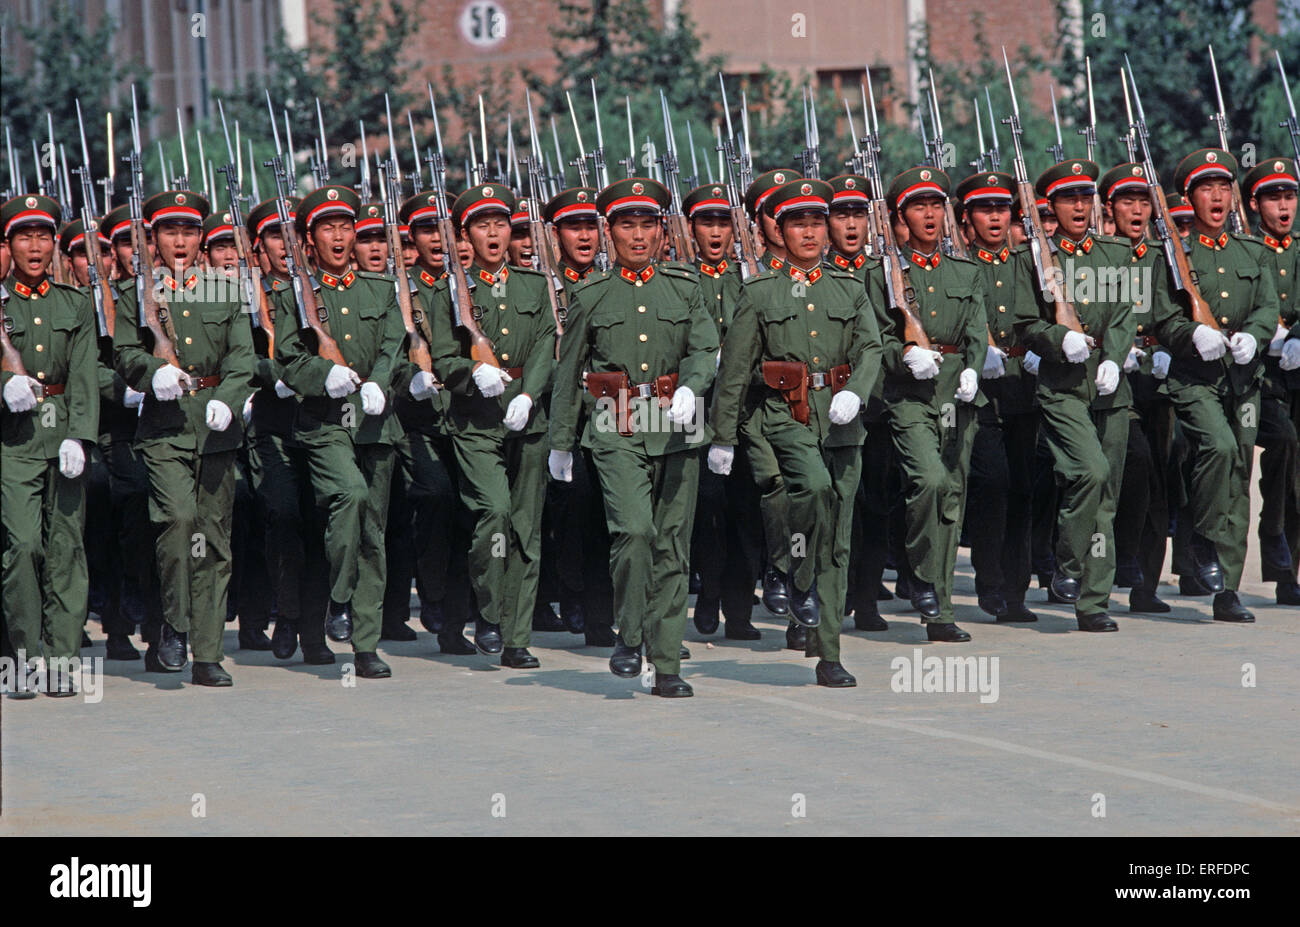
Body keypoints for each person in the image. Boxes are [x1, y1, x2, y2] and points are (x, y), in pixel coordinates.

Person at [549, 177, 718, 697]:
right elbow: (569, 368)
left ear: (663, 231)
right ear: (609, 231)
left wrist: (692, 385)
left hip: (676, 424)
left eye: (648, 224)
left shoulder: (685, 286)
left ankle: (666, 666)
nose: (638, 236)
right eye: (627, 225)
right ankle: (629, 632)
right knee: (635, 532)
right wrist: (561, 440)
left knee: (672, 547)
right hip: (615, 423)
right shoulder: (592, 293)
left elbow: (705, 346)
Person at [711, 176, 883, 685]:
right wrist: (722, 436)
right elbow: (736, 370)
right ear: (779, 232)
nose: (809, 233)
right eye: (796, 224)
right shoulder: (760, 292)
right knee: (816, 489)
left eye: (815, 223)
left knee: (839, 541)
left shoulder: (849, 288)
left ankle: (828, 654)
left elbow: (870, 349)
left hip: (842, 421)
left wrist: (858, 390)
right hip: (785, 418)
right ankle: (793, 570)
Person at [113, 189, 256, 685]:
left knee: (214, 540)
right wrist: (152, 371)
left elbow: (243, 356)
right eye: (170, 231)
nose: (181, 240)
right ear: (153, 238)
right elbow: (124, 353)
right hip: (165, 430)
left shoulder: (225, 287)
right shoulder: (134, 292)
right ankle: (173, 624)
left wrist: (230, 397)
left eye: (190, 231)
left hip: (216, 427)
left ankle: (208, 653)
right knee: (178, 521)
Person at [273, 184, 404, 676]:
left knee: (372, 532)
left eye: (346, 226)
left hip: (375, 422)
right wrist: (320, 376)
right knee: (349, 497)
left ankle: (365, 646)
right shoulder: (295, 296)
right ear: (311, 239)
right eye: (328, 227)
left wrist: (379, 383)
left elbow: (393, 345)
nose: (340, 235)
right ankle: (338, 600)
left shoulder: (381, 288)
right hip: (324, 424)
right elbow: (288, 354)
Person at [428, 182, 555, 668]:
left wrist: (529, 393)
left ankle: (516, 636)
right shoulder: (450, 291)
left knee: (527, 529)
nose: (495, 233)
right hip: (475, 423)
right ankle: (489, 609)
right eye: (483, 225)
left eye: (501, 223)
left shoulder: (534, 284)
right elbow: (440, 355)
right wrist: (469, 372)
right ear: (467, 234)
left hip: (528, 417)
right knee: (495, 513)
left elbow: (546, 343)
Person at [1154, 149, 1279, 622]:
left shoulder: (1254, 254)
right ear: (1190, 197)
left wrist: (1255, 334)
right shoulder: (1175, 257)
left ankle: (1228, 589)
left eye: (1224, 187)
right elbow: (1161, 318)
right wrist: (1192, 334)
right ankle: (1203, 536)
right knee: (1221, 449)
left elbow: (1267, 307)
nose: (1217, 196)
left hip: (1242, 380)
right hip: (1195, 381)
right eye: (1206, 188)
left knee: (1238, 478)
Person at [1013, 159, 1135, 632]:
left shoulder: (1117, 254)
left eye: (1086, 197)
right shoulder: (1034, 260)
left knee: (1106, 495)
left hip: (1109, 384)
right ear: (1051, 207)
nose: (1080, 206)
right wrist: (1055, 340)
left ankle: (1093, 603)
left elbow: (1125, 314)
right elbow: (1025, 323)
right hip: (1063, 386)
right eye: (1069, 199)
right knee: (1090, 471)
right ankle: (1066, 558)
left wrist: (1114, 356)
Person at [873, 168, 986, 638]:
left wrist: (973, 370)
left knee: (951, 501)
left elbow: (977, 331)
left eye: (936, 206)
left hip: (956, 394)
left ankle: (940, 612)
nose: (929, 215)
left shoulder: (965, 271)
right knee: (931, 481)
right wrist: (904, 356)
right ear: (900, 217)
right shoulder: (883, 275)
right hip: (910, 398)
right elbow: (875, 341)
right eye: (918, 207)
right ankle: (919, 574)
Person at [1, 194, 99, 696]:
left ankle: (60, 659)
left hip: (61, 431)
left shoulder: (74, 303)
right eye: (24, 236)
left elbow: (83, 373)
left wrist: (80, 434)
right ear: (8, 244)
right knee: (22, 547)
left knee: (66, 548)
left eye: (43, 236)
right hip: (13, 442)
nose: (34, 247)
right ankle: (21, 656)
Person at [955, 169, 1039, 623]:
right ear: (968, 217)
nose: (994, 217)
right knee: (993, 482)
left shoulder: (1030, 261)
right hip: (980, 391)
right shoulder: (960, 266)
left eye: (1002, 208)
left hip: (1024, 386)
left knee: (1025, 487)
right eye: (985, 209)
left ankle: (1017, 590)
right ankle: (989, 581)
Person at [680, 182, 762, 641]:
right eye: (707, 222)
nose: (716, 231)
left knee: (746, 511)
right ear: (690, 229)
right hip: (696, 409)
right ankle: (708, 593)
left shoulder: (748, 277)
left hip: (744, 408)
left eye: (723, 222)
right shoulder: (680, 279)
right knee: (706, 508)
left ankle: (740, 608)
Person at [1101, 162, 1177, 614]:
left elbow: (1175, 313)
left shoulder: (1162, 257)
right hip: (1110, 377)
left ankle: (1145, 585)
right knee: (1127, 468)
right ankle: (1106, 566)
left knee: (1158, 479)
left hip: (1156, 377)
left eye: (1143, 200)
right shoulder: (1100, 257)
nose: (1137, 209)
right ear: (1110, 208)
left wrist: (1169, 344)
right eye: (1127, 201)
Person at [1241, 157, 1300, 605]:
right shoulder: (1244, 249)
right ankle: (1274, 534)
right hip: (1260, 374)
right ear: (1254, 204)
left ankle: (1288, 575)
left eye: (1290, 196)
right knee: (1283, 443)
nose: (1284, 206)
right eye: (1273, 197)